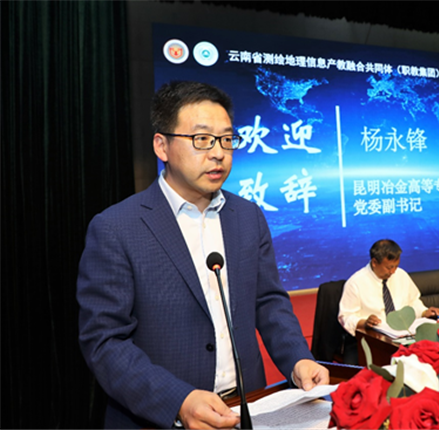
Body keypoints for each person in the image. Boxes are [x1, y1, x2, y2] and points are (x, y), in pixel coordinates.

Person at [77, 81, 328, 429]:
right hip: (160, 418)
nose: (218, 153)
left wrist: (298, 359)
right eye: (202, 139)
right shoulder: (116, 228)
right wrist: (178, 400)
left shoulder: (248, 216)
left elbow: (268, 301)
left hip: (246, 409)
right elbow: (104, 342)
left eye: (226, 139)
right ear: (162, 146)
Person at [338, 239, 439, 337]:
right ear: (374, 262)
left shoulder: (401, 275)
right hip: (373, 337)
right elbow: (346, 317)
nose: (393, 271)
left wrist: (424, 312)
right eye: (389, 267)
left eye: (396, 266)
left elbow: (413, 303)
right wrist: (365, 322)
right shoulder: (355, 283)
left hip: (404, 334)